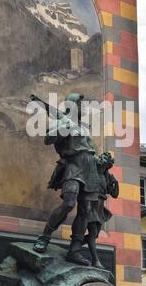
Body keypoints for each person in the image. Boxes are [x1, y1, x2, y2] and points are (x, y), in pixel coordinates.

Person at [33, 93, 100, 266]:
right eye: (80, 104)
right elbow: (48, 139)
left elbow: (90, 148)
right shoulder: (64, 122)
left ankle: (74, 250)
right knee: (69, 203)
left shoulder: (84, 127)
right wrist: (64, 128)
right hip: (74, 165)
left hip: (90, 168)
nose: (82, 108)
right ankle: (45, 236)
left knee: (85, 210)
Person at [82, 152, 119, 268]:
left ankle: (75, 246)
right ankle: (95, 260)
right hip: (92, 203)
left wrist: (115, 183)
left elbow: (115, 194)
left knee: (95, 234)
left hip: (100, 207)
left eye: (106, 166)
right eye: (103, 164)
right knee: (93, 232)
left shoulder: (106, 176)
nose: (104, 167)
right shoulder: (92, 172)